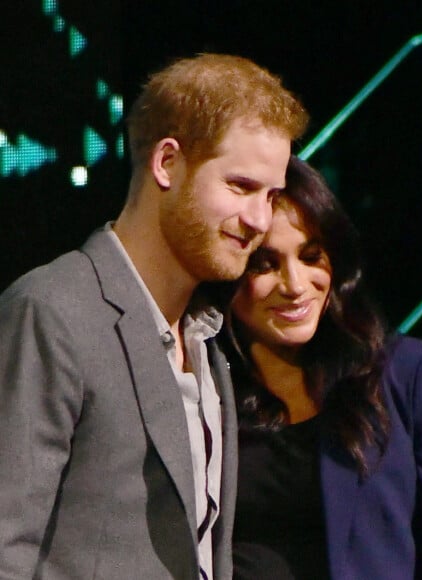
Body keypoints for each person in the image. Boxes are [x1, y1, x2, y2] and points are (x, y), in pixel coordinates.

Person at [0, 55, 308, 579]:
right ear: (167, 163)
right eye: (241, 186)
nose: (260, 219)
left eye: (272, 195)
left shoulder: (208, 342)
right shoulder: (53, 311)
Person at [219, 156, 422, 579]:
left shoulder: (415, 379)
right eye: (265, 264)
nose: (295, 285)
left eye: (311, 255)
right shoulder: (203, 387)